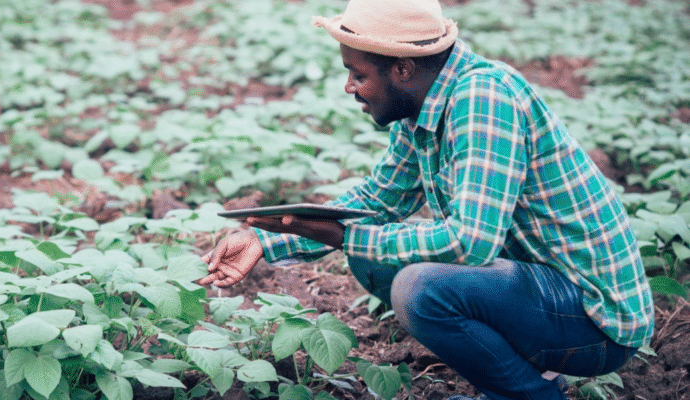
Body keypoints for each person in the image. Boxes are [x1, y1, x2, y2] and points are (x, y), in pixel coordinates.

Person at [197, 0, 655, 399]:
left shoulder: (482, 98)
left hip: (595, 320)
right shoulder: (421, 103)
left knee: (419, 287)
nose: (350, 88)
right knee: (375, 259)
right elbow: (377, 199)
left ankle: (527, 394)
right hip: (541, 292)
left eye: (358, 74)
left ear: (402, 68)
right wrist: (269, 239)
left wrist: (345, 237)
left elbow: (471, 243)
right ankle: (521, 375)